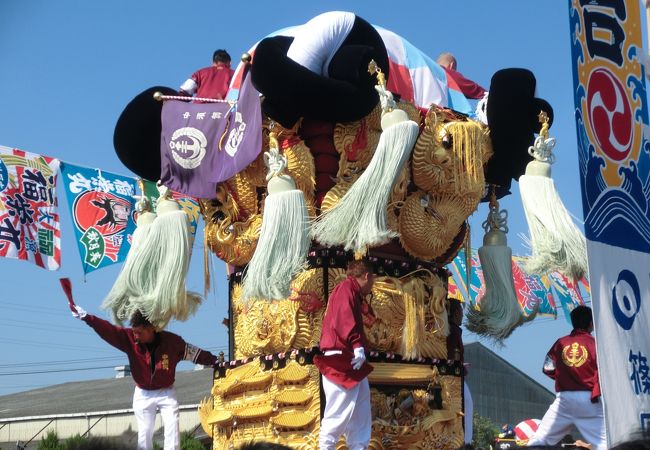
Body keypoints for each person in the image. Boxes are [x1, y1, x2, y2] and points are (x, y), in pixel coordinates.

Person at [67, 299, 218, 450]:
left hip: (166, 392)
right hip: (143, 393)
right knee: (145, 431)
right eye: (134, 332)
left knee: (172, 424)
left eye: (139, 332)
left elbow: (195, 354)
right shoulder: (129, 339)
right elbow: (109, 330)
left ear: (152, 328)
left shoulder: (172, 342)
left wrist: (215, 361)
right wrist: (87, 317)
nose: (136, 336)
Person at [313, 259, 376, 450]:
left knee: (361, 415)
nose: (373, 284)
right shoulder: (346, 289)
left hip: (352, 361)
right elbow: (344, 317)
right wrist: (357, 344)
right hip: (340, 359)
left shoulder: (353, 292)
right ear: (366, 276)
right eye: (373, 279)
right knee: (336, 416)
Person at [527, 306, 606, 450]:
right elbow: (606, 371)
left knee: (537, 441)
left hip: (563, 399)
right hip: (589, 399)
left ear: (573, 322)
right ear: (590, 323)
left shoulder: (559, 343)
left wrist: (562, 377)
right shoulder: (596, 344)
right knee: (606, 444)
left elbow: (547, 368)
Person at [447, 298, 473, 445]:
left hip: (457, 373)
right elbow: (449, 356)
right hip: (454, 377)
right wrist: (459, 367)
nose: (463, 315)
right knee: (467, 404)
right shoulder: (452, 331)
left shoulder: (453, 330)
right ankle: (465, 442)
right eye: (462, 312)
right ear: (456, 313)